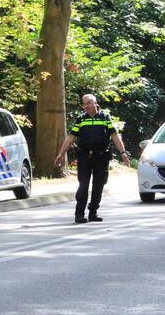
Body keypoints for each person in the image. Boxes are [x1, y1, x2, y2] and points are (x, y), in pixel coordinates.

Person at [54, 94, 130, 223]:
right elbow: (71, 137)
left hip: (101, 157)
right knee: (83, 185)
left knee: (99, 185)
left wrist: (123, 153)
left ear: (96, 103)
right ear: (83, 106)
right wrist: (61, 154)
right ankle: (79, 214)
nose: (87, 105)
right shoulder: (81, 119)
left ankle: (93, 212)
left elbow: (115, 136)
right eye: (85, 103)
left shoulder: (105, 117)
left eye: (90, 102)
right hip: (84, 156)